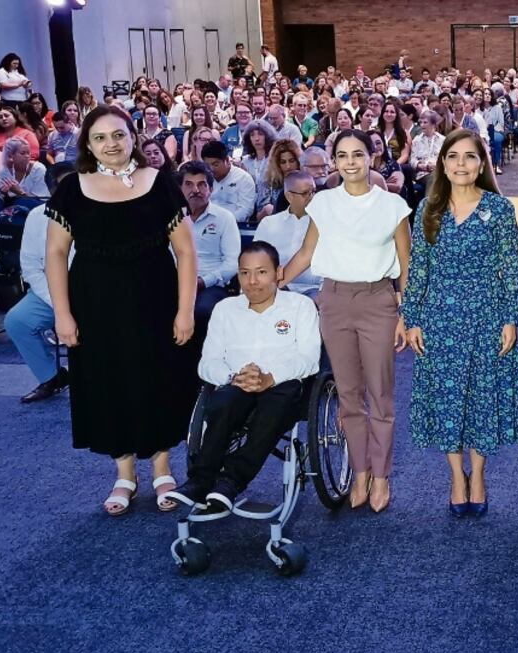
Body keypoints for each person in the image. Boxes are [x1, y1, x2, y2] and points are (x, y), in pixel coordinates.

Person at [44, 106, 199, 516]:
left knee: (158, 375)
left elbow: (185, 251)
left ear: (133, 136)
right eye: (100, 137)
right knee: (108, 379)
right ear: (88, 145)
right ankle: (124, 473)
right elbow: (56, 255)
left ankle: (163, 467)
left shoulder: (161, 183)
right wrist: (63, 314)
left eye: (118, 135)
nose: (110, 144)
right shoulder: (72, 189)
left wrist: (185, 311)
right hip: (95, 303)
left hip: (156, 296)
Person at [278, 129, 412, 513]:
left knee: (380, 396)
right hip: (334, 300)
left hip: (378, 301)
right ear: (333, 161)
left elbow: (407, 265)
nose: (350, 162)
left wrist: (406, 314)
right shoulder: (322, 203)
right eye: (342, 155)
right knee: (349, 397)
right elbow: (306, 253)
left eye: (358, 154)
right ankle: (360, 472)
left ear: (371, 158)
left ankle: (382, 475)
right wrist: (273, 284)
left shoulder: (392, 206)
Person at [400, 129, 518, 516]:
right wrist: (412, 319)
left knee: (483, 397)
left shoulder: (499, 210)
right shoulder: (428, 209)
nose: (461, 164)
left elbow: (509, 268)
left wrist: (510, 318)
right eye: (453, 156)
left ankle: (479, 474)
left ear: (481, 163)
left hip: (486, 316)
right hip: (439, 319)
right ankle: (457, 475)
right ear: (442, 163)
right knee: (448, 398)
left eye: (470, 157)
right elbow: (418, 268)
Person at [162, 242, 321, 509]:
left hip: (282, 384)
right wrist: (234, 376)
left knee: (277, 402)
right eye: (244, 273)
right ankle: (200, 481)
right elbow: (208, 362)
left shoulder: (300, 307)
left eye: (261, 272)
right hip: (236, 382)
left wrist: (270, 377)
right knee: (223, 402)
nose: (252, 281)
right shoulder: (225, 310)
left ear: (278, 273)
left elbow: (309, 358)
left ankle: (231, 480)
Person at [5, 163, 75, 404]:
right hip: (50, 293)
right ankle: (52, 377)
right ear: (52, 190)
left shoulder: (100, 212)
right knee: (17, 321)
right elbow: (31, 268)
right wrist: (59, 305)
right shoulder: (37, 217)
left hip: (93, 292)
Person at [177, 160, 241, 345]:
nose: (195, 190)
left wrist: (203, 282)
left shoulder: (224, 218)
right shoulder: (172, 217)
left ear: (211, 189)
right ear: (180, 189)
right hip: (175, 282)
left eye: (201, 184)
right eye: (188, 184)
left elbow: (231, 263)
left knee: (201, 312)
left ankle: (198, 366)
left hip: (211, 285)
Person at [259, 171, 321, 295]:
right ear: (289, 196)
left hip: (315, 288)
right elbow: (258, 260)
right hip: (279, 287)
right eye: (305, 193)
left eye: (313, 192)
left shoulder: (323, 222)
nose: (312, 197)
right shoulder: (269, 224)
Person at [200, 140, 256, 225]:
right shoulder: (204, 179)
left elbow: (245, 211)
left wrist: (222, 223)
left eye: (215, 164)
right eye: (207, 165)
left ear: (226, 160)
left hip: (235, 226)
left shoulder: (244, 178)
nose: (211, 169)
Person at [0, 137, 50, 205]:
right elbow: (1, 202)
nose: (27, 156)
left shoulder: (38, 169)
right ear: (10, 156)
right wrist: (3, 193)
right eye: (23, 153)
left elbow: (41, 203)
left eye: (28, 153)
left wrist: (20, 192)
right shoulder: (3, 172)